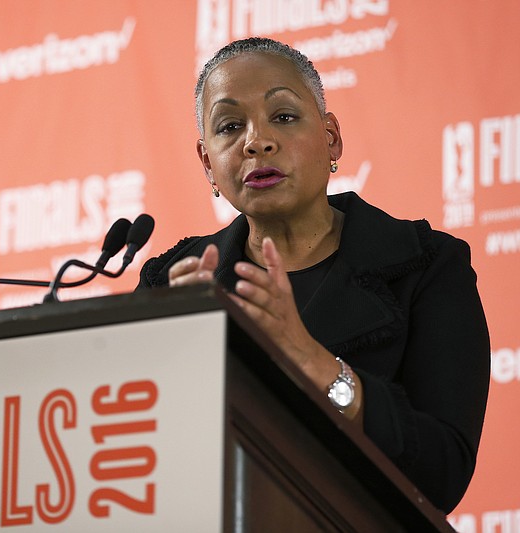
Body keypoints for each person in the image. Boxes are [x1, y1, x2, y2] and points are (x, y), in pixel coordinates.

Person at [136, 37, 490, 514]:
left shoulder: (427, 267)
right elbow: (138, 462)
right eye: (229, 126)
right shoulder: (171, 285)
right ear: (207, 163)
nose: (256, 141)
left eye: (283, 116)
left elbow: (442, 475)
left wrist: (310, 360)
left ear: (331, 138)